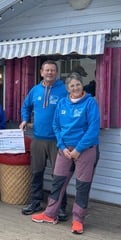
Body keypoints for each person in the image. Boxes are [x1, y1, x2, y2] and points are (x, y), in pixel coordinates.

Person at [31, 72, 100, 234]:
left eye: (77, 84)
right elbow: (56, 126)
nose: (75, 88)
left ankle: (78, 219)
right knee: (58, 182)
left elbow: (93, 129)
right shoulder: (62, 103)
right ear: (67, 89)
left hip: (85, 150)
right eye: (72, 86)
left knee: (82, 186)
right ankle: (50, 214)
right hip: (64, 150)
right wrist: (62, 147)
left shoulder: (90, 103)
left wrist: (78, 150)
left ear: (82, 85)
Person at [19, 60, 68, 218]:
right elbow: (26, 106)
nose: (50, 73)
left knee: (58, 175)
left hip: (57, 140)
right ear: (41, 72)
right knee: (36, 172)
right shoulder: (35, 90)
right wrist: (25, 119)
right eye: (47, 70)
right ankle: (35, 202)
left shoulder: (64, 90)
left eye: (52, 70)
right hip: (38, 139)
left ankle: (59, 206)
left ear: (56, 72)